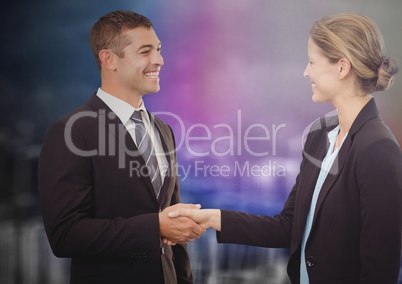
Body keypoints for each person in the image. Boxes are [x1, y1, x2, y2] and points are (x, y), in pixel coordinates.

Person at [169, 13, 402, 284]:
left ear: (342, 68)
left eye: (313, 62)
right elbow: (288, 227)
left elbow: (380, 271)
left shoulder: (378, 150)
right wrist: (211, 218)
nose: (306, 71)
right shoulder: (320, 134)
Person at [38, 10, 204, 284]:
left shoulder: (164, 131)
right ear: (109, 59)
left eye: (159, 50)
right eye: (145, 51)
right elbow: (64, 234)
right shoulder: (72, 132)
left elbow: (173, 233)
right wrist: (155, 227)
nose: (160, 60)